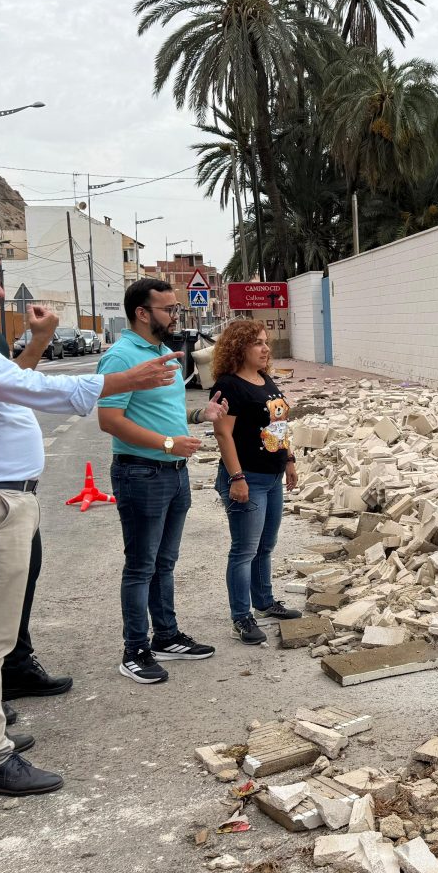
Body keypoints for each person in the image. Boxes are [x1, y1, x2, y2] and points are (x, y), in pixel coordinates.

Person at [0, 240, 185, 793]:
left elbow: (5, 390)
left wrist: (39, 340)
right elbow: (28, 388)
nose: (0, 291)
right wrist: (124, 381)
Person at [97, 277, 222, 684]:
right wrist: (167, 444)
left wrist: (200, 416)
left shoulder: (164, 353)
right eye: (168, 310)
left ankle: (166, 635)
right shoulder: (121, 357)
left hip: (174, 472)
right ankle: (134, 650)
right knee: (141, 566)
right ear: (141, 313)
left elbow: (161, 413)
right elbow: (109, 420)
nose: (175, 316)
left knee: (165, 562)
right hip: (141, 472)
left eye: (176, 309)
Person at [0, 314, 74, 704]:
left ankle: (15, 666)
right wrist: (119, 381)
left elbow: (11, 383)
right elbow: (10, 388)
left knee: (22, 583)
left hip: (16, 494)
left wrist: (40, 339)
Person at [209, 319, 300, 645]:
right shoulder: (229, 386)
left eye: (266, 342)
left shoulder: (264, 379)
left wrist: (289, 459)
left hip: (272, 476)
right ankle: (241, 618)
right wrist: (237, 477)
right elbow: (223, 434)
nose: (265, 349)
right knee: (244, 550)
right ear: (239, 347)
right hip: (247, 477)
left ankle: (263, 602)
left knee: (265, 546)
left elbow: (278, 423)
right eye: (257, 343)